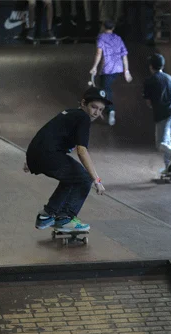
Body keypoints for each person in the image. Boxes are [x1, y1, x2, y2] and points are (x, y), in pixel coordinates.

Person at [23, 87, 109, 232]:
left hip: (38, 153)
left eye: (100, 110)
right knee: (84, 178)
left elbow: (49, 133)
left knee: (71, 177)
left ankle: (47, 215)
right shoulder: (83, 118)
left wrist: (32, 159)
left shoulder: (70, 114)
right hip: (48, 155)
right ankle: (65, 218)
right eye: (94, 107)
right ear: (83, 103)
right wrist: (97, 180)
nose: (96, 113)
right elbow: (82, 151)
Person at [143, 53, 171, 174]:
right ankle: (170, 169)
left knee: (160, 144)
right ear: (162, 65)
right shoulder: (169, 77)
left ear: (151, 66)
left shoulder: (150, 81)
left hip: (164, 115)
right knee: (166, 141)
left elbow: (148, 102)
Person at [89, 19, 132, 126]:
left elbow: (99, 53)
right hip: (118, 68)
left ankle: (110, 110)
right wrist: (126, 70)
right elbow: (124, 55)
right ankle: (105, 107)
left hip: (107, 68)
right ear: (113, 28)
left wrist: (94, 67)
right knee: (103, 87)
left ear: (103, 27)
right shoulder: (118, 38)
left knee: (106, 89)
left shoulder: (101, 37)